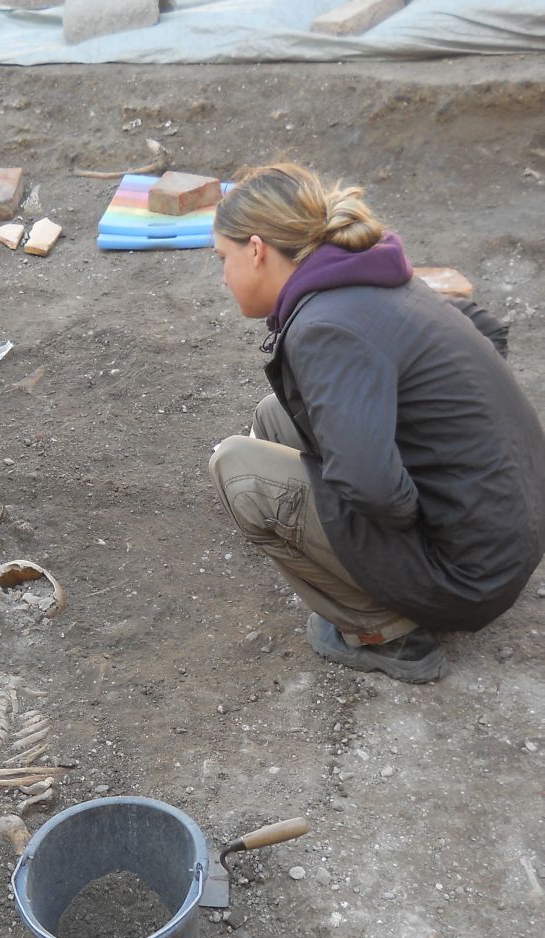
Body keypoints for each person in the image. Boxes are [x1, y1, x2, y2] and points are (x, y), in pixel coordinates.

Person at [209, 162, 545, 684]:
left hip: (467, 575)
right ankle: (400, 573)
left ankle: (387, 633)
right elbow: (489, 332)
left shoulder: (326, 327)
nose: (223, 276)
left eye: (223, 259)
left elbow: (373, 487)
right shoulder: (373, 276)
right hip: (508, 540)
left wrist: (401, 534)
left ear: (256, 250)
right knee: (274, 419)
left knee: (240, 470)